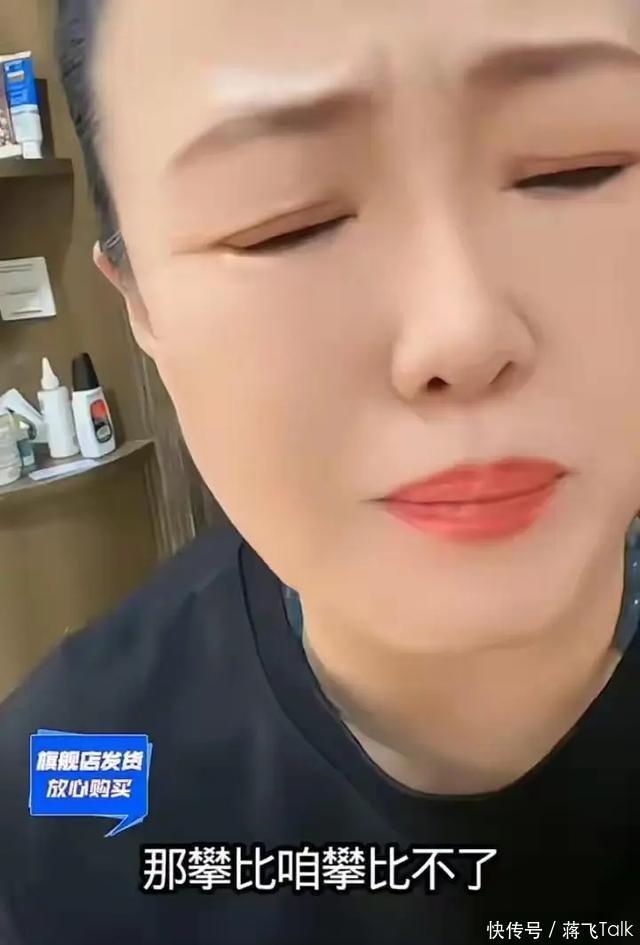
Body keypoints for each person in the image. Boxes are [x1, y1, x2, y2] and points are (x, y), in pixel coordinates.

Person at [1, 0, 640, 941]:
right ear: (141, 307)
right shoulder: (60, 813)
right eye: (284, 224)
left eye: (576, 166)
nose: (461, 331)